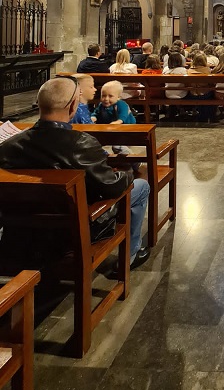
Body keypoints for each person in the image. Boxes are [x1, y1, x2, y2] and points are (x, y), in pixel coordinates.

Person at [0, 77, 150, 268]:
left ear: (39, 104)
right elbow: (111, 187)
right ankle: (130, 256)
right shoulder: (82, 143)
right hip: (76, 228)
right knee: (141, 186)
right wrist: (126, 173)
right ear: (72, 106)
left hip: (21, 230)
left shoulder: (9, 146)